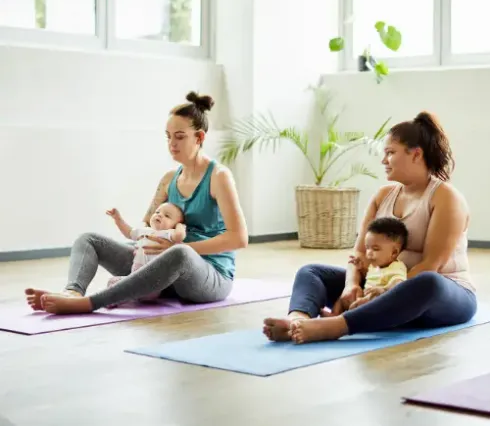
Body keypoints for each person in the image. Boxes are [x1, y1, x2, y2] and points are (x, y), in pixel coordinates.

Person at [263, 111, 477, 344]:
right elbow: (358, 254)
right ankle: (297, 321)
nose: (383, 161)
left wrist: (384, 294)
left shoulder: (446, 198)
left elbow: (430, 266)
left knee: (427, 283)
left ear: (416, 154)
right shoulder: (382, 196)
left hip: (440, 296)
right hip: (378, 288)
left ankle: (333, 326)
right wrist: (352, 285)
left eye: (390, 153)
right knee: (312, 272)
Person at [25, 91, 248, 314]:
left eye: (179, 137)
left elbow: (239, 238)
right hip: (163, 271)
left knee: (181, 254)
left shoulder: (219, 176)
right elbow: (146, 226)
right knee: (89, 240)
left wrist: (181, 246)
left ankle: (90, 303)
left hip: (210, 276)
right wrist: (142, 245)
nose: (172, 143)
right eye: (168, 136)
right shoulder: (169, 179)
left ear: (199, 138)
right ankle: (72, 292)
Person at [105, 202, 187, 304]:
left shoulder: (168, 234)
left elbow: (179, 236)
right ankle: (120, 296)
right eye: (157, 212)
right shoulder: (144, 231)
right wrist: (118, 219)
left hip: (153, 281)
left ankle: (115, 298)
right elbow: (129, 232)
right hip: (135, 275)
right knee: (114, 282)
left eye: (167, 216)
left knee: (138, 290)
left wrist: (180, 226)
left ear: (174, 226)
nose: (159, 215)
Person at [330, 217, 409, 315]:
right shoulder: (376, 266)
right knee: (345, 295)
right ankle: (334, 314)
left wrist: (383, 290)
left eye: (375, 249)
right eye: (367, 247)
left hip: (381, 302)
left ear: (394, 252)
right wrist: (361, 269)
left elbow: (399, 283)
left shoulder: (397, 267)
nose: (369, 253)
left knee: (363, 303)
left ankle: (344, 319)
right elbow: (373, 278)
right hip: (366, 296)